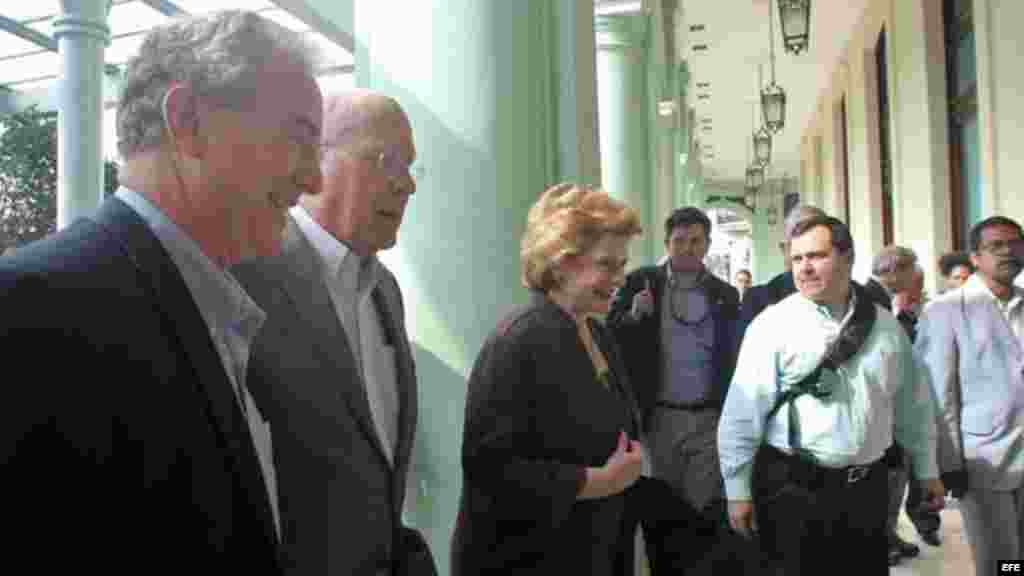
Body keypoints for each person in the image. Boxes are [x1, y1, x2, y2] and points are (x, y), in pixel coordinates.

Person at [0, 10, 322, 571]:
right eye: (298, 135)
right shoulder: (30, 308)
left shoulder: (221, 308)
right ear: (188, 122)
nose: (314, 178)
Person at [233, 90, 434, 576]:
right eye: (388, 161)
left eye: (410, 167)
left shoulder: (385, 290)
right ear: (315, 161)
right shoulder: (246, 274)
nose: (407, 185)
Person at [718, 215, 945, 575]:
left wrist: (927, 470)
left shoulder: (886, 327)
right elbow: (741, 415)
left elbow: (913, 408)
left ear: (848, 258)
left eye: (816, 256)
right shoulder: (772, 326)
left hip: (868, 493)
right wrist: (737, 490)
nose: (804, 268)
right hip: (793, 491)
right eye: (797, 258)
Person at [452, 183, 644, 576]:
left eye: (622, 265)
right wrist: (598, 481)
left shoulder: (596, 331)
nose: (620, 278)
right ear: (561, 263)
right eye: (606, 265)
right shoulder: (519, 339)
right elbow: (489, 469)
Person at [607, 207, 741, 575]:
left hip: (708, 419)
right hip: (659, 419)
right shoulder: (641, 283)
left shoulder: (724, 295)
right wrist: (634, 315)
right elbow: (608, 334)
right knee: (662, 508)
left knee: (701, 511)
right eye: (679, 241)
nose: (687, 248)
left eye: (695, 241)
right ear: (667, 244)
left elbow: (735, 355)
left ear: (707, 245)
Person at [915, 216, 1024, 576]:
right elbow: (938, 393)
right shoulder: (946, 310)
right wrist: (948, 465)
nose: (1008, 251)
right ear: (975, 257)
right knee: (1000, 559)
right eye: (996, 246)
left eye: (1015, 243)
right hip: (984, 461)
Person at [738, 204, 827, 341]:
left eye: (816, 248)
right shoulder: (757, 301)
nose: (806, 263)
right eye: (797, 245)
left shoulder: (854, 299)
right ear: (784, 249)